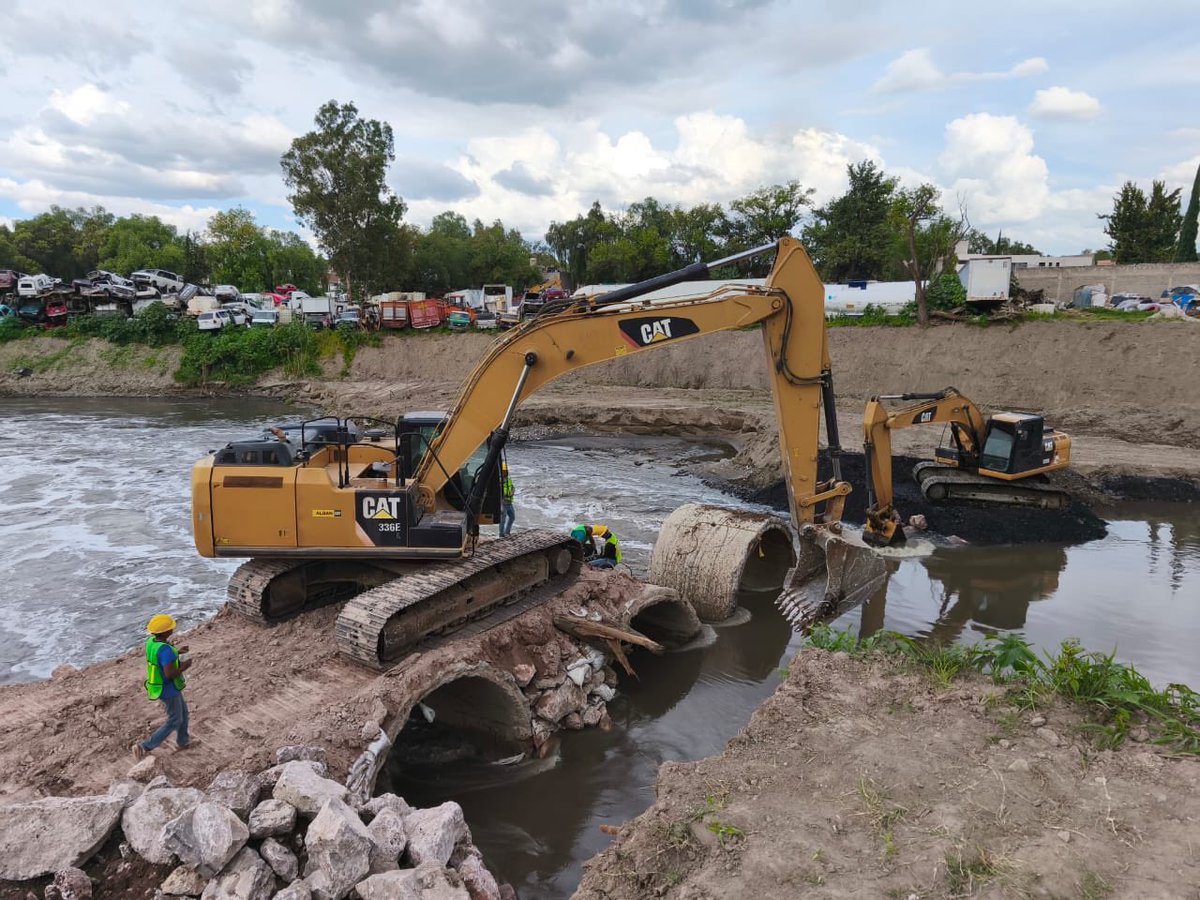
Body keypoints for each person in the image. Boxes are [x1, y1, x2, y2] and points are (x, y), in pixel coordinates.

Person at [132, 614, 194, 758]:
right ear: (166, 632)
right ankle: (144, 747)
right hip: (167, 688)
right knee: (175, 719)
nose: (173, 629)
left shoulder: (151, 642)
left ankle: (183, 741)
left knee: (183, 713)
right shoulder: (165, 650)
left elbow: (160, 660)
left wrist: (176, 653)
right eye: (171, 628)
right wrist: (185, 665)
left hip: (158, 685)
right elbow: (169, 674)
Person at [500, 463, 515, 537]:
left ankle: (507, 532)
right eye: (504, 471)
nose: (505, 472)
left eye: (506, 470)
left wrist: (512, 491)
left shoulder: (509, 479)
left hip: (509, 502)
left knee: (512, 517)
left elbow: (512, 487)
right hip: (503, 503)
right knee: (502, 520)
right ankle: (501, 535)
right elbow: (499, 492)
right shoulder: (500, 481)